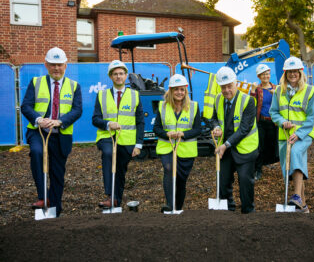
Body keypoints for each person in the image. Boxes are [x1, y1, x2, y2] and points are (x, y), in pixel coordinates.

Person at [21, 47, 82, 217]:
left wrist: (60, 121)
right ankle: (43, 196)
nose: (56, 68)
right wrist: (39, 119)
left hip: (61, 134)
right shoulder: (36, 82)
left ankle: (55, 210)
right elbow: (26, 106)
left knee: (57, 172)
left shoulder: (74, 86)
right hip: (38, 131)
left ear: (66, 65)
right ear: (46, 64)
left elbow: (77, 110)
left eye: (60, 65)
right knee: (36, 152)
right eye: (53, 64)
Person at [92, 60, 144, 209]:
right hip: (106, 136)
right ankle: (110, 195)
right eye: (115, 74)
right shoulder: (101, 95)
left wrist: (138, 144)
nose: (118, 76)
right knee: (108, 154)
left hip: (127, 140)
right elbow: (95, 119)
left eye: (121, 73)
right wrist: (108, 124)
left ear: (126, 75)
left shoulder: (135, 95)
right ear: (110, 76)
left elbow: (140, 122)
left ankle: (116, 201)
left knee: (120, 171)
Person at [270, 56, 314, 213]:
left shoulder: (310, 91)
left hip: (304, 134)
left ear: (300, 72)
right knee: (288, 166)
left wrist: (299, 133)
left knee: (296, 153)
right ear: (285, 73)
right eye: (289, 71)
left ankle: (296, 195)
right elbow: (273, 112)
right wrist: (282, 121)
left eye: (295, 71)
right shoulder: (278, 90)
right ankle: (303, 206)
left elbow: (311, 118)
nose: (292, 74)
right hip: (284, 135)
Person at [210, 66, 258, 214]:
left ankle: (248, 211)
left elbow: (244, 128)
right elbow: (213, 119)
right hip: (225, 149)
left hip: (245, 149)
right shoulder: (218, 99)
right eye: (223, 87)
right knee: (223, 181)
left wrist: (225, 145)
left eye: (229, 86)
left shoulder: (248, 101)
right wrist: (216, 127)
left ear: (235, 83)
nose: (226, 90)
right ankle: (227, 211)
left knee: (245, 181)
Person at [153, 74, 201, 212]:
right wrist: (166, 134)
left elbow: (198, 129)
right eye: (176, 89)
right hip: (167, 147)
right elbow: (156, 128)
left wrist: (183, 134)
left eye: (182, 89)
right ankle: (170, 204)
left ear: (185, 91)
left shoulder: (194, 106)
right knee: (168, 169)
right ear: (171, 91)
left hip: (186, 150)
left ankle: (178, 207)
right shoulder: (163, 106)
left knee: (181, 181)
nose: (179, 92)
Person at [250, 64, 279, 180]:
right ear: (259, 76)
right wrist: (252, 91)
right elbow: (251, 104)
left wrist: (276, 94)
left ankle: (267, 162)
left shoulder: (276, 88)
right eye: (263, 74)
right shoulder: (257, 89)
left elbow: (283, 102)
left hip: (274, 122)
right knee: (260, 146)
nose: (266, 76)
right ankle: (258, 170)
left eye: (267, 74)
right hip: (261, 122)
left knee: (272, 145)